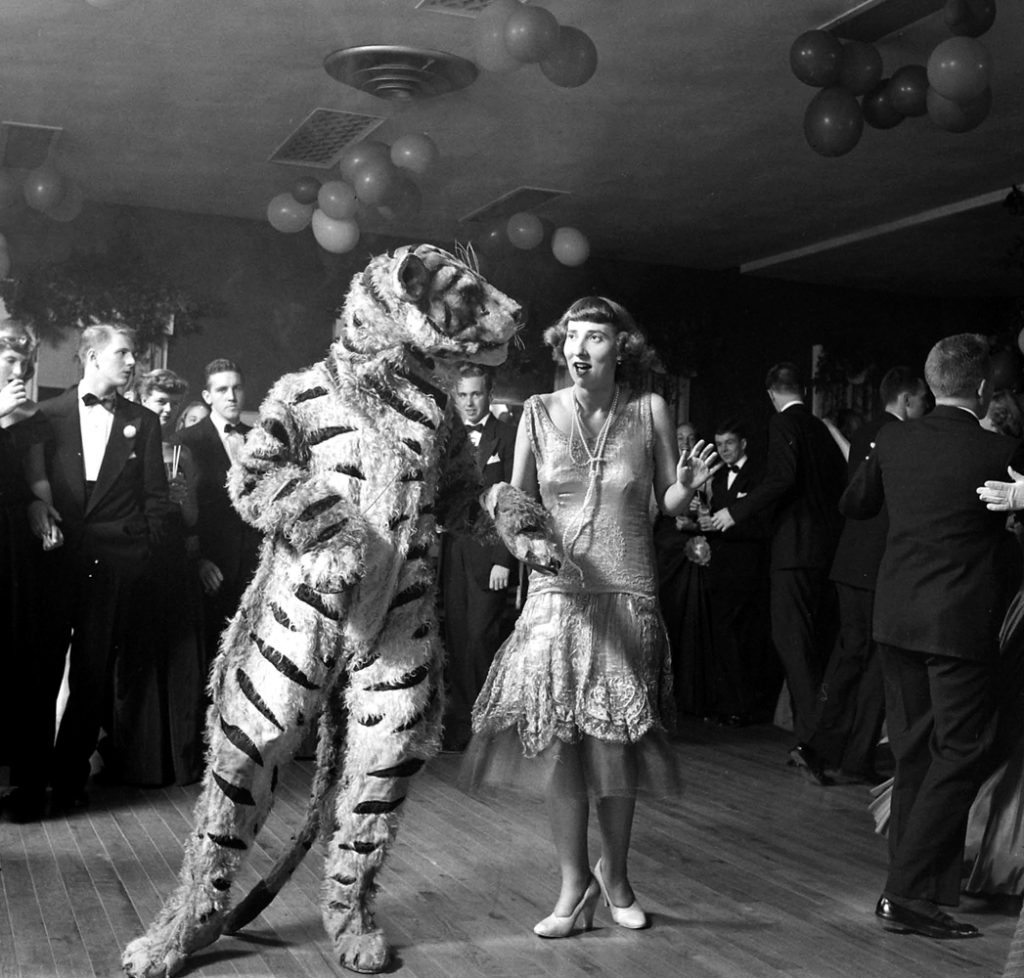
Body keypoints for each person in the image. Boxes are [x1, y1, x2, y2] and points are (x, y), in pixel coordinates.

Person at [465, 297, 720, 938]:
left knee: (615, 745)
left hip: (627, 592)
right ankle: (573, 887)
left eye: (596, 337)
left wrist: (685, 488)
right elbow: (512, 502)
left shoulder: (650, 410)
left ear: (621, 348)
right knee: (560, 745)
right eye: (572, 338)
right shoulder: (535, 413)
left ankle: (618, 878)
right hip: (556, 593)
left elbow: (665, 500)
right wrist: (524, 544)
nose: (580, 348)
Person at [845, 333, 1024, 940]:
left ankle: (916, 888)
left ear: (930, 385)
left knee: (916, 752)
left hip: (896, 620)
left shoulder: (892, 437)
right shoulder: (999, 451)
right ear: (981, 389)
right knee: (963, 753)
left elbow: (860, 504)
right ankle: (905, 892)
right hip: (957, 625)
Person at [13, 324, 169, 819]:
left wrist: (139, 555)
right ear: (91, 357)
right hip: (53, 565)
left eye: (134, 355)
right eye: (123, 353)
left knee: (92, 678)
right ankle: (28, 785)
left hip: (114, 570)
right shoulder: (47, 413)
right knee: (37, 676)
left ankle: (69, 779)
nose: (132, 363)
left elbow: (157, 501)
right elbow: (25, 485)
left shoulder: (144, 422)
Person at [793, 367, 929, 785]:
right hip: (877, 565)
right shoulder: (902, 437)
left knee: (858, 658)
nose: (927, 408)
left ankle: (841, 751)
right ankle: (826, 748)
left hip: (853, 562)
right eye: (923, 400)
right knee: (864, 661)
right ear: (906, 400)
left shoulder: (870, 431)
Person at [710, 362, 846, 767]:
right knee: (811, 644)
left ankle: (813, 742)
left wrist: (737, 511)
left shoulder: (784, 424)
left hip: (793, 551)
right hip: (824, 551)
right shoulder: (820, 428)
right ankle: (818, 738)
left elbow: (782, 478)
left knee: (793, 643)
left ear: (772, 393)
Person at [103, 369, 206, 786]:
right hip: (136, 561)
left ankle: (175, 761)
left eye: (173, 404)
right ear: (141, 398)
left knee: (178, 661)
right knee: (136, 662)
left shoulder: (186, 454)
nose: (167, 410)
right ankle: (137, 761)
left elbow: (194, 519)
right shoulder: (123, 443)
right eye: (159, 401)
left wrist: (184, 501)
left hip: (174, 563)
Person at [440, 363, 517, 752]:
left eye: (476, 394)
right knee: (455, 638)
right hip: (453, 553)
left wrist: (506, 558)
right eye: (463, 395)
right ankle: (460, 726)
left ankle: (487, 726)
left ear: (489, 395)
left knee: (480, 638)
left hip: (491, 555)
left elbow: (514, 503)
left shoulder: (508, 436)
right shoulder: (446, 438)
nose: (469, 402)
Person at [174, 358, 260, 667]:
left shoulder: (258, 440)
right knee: (210, 659)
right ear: (208, 396)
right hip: (211, 570)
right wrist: (196, 559)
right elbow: (178, 509)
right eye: (222, 389)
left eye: (237, 388)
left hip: (253, 569)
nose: (231, 396)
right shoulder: (187, 441)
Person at [0, 320, 51, 811]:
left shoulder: (33, 417)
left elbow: (35, 480)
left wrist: (44, 508)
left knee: (14, 654)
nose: (18, 370)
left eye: (23, 362)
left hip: (13, 545)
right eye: (8, 360)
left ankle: (18, 780)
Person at [697, 418, 774, 725]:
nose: (724, 450)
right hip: (721, 568)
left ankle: (744, 707)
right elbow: (712, 515)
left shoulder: (759, 474)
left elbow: (763, 521)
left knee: (745, 639)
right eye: (719, 444)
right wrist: (705, 526)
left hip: (750, 569)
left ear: (743, 443)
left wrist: (722, 523)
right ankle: (727, 704)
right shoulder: (714, 477)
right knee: (722, 637)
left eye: (729, 443)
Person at [653, 421, 716, 719]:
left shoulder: (703, 470)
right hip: (667, 552)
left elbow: (709, 508)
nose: (686, 443)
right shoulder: (662, 467)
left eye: (691, 438)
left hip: (694, 551)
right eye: (680, 438)